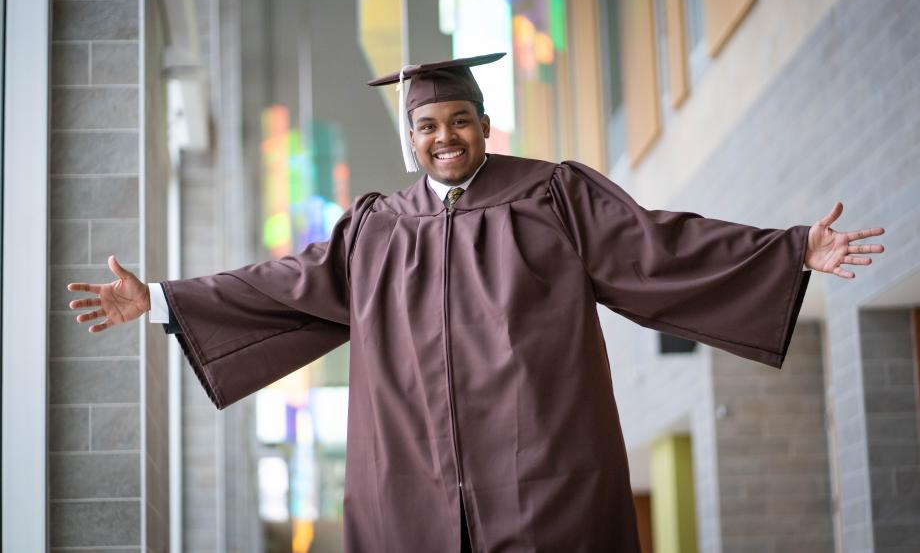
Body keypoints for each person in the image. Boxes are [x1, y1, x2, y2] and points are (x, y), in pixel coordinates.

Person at [68, 53, 886, 552]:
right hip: (416, 484)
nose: (445, 136)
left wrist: (789, 250)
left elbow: (657, 246)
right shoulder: (379, 228)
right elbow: (290, 283)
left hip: (545, 479)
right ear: (410, 137)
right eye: (428, 125)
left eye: (460, 120)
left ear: (486, 125)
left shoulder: (553, 196)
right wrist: (165, 297)